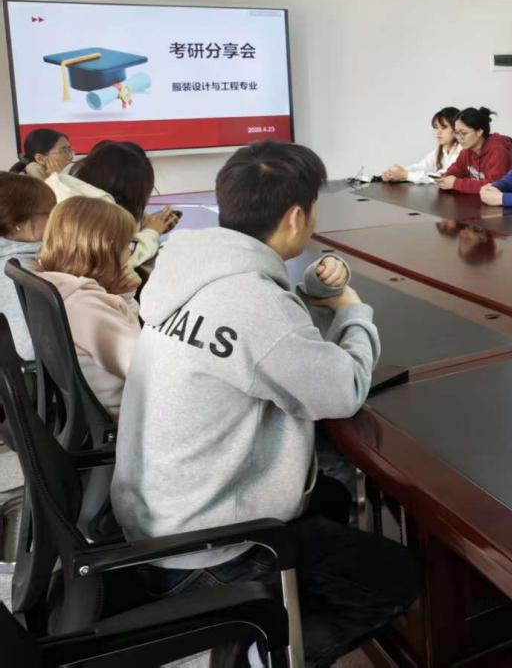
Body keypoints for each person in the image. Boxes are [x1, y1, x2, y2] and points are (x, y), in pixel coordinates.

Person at [111, 141, 418, 666]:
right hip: (209, 549)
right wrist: (352, 309)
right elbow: (343, 390)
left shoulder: (184, 266)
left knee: (331, 496)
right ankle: (262, 652)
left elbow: (257, 340)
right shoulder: (253, 304)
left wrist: (304, 296)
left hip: (154, 519)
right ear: (297, 216)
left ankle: (282, 611)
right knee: (396, 577)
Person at [36, 198, 142, 417]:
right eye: (127, 246)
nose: (129, 255)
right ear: (103, 248)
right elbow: (144, 368)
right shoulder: (87, 307)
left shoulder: (60, 286)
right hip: (125, 415)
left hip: (93, 410)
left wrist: (124, 295)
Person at [54, 141, 179, 266]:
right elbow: (123, 260)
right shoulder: (101, 213)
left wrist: (141, 225)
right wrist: (152, 231)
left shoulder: (69, 187)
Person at [0, 173, 56, 360]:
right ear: (17, 222)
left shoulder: (26, 258)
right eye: (49, 213)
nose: (56, 219)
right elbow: (30, 347)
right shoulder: (17, 271)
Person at [438, 107, 512, 193]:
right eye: (456, 133)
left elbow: (493, 186)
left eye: (463, 133)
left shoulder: (498, 151)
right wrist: (445, 178)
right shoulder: (466, 151)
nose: (459, 138)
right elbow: (455, 170)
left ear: (479, 132)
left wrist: (456, 183)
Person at [381, 106, 462, 184]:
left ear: (456, 129)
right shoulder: (441, 150)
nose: (438, 132)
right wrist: (394, 173)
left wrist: (406, 175)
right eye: (437, 127)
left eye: (444, 128)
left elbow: (441, 177)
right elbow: (422, 166)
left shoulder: (461, 150)